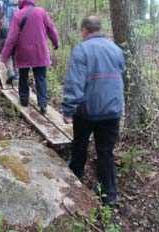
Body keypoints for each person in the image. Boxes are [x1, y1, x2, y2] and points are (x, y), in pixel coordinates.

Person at [61, 15, 125, 206]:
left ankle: (75, 179)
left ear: (84, 30)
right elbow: (120, 75)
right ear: (99, 29)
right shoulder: (116, 50)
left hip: (87, 111)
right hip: (112, 111)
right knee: (106, 152)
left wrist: (68, 109)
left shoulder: (81, 50)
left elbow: (74, 83)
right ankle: (109, 196)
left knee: (80, 144)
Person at [0, 0, 59, 114]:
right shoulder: (41, 12)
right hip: (40, 51)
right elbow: (51, 29)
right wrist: (56, 42)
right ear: (32, 0)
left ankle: (24, 100)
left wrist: (4, 55)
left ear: (21, 1)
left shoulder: (18, 15)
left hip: (24, 52)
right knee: (41, 78)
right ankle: (43, 104)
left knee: (23, 76)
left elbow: (12, 38)